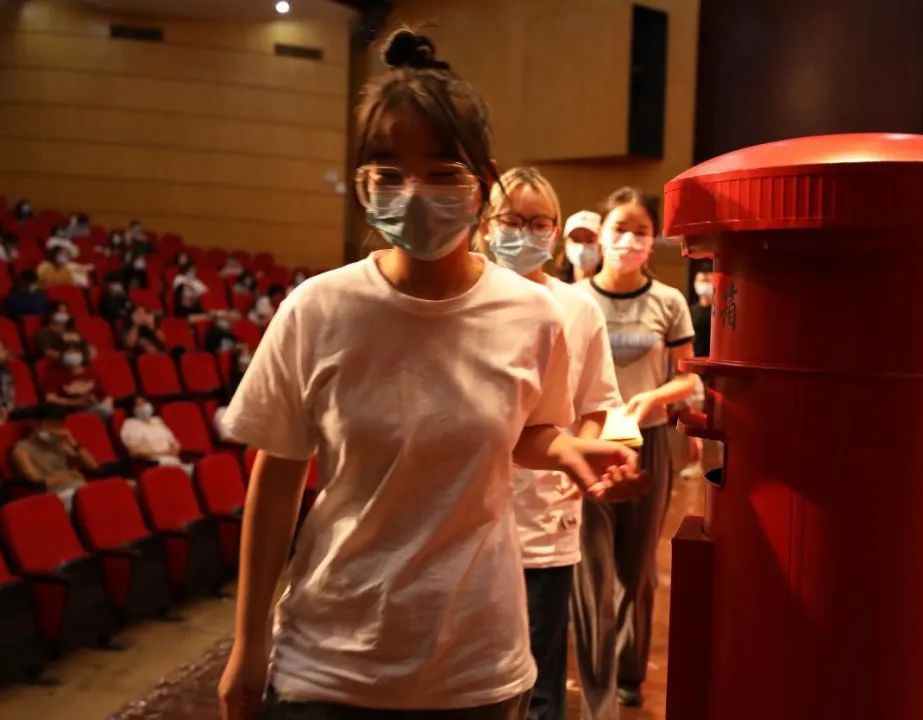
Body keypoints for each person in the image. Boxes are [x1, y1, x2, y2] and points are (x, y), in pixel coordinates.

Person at [217, 29, 646, 720]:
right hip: (329, 660)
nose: (413, 193)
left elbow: (530, 431)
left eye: (441, 172)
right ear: (363, 180)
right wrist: (247, 643)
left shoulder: (533, 314)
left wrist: (568, 450)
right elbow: (277, 476)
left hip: (475, 664)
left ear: (482, 181)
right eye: (389, 172)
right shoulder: (317, 309)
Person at [482, 167, 623, 720]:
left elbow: (595, 404)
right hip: (463, 522)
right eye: (512, 220)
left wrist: (574, 464)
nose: (525, 233)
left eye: (540, 223)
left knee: (540, 682)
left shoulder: (578, 309)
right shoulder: (461, 300)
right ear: (486, 225)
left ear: (556, 231)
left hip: (542, 517)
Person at [573, 186, 697, 715]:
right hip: (587, 443)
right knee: (590, 571)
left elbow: (687, 377)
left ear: (654, 240)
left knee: (639, 568)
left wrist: (653, 399)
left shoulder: (668, 302)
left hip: (651, 442)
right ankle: (596, 687)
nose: (628, 240)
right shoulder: (574, 299)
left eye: (641, 231)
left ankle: (629, 676)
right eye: (619, 229)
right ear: (600, 234)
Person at [12, 406, 97, 508]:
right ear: (36, 424)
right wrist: (69, 474)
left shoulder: (59, 443)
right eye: (51, 425)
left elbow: (93, 466)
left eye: (58, 426)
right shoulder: (22, 450)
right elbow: (39, 484)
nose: (55, 430)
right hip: (57, 497)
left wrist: (73, 442)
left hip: (80, 488)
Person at [40, 343, 112, 417]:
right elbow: (50, 398)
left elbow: (105, 395)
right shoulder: (54, 372)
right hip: (68, 411)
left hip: (93, 408)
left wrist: (105, 404)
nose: (72, 355)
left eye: (75, 351)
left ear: (82, 354)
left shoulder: (91, 371)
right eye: (68, 352)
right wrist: (76, 402)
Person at [120, 395, 185, 469]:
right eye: (138, 405)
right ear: (132, 409)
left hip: (173, 461)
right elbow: (134, 452)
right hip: (152, 464)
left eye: (145, 403)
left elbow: (173, 442)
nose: (143, 407)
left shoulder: (157, 420)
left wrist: (176, 448)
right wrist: (163, 453)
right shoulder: (130, 425)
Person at [555, 210, 602, 283]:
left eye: (590, 240)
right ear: (566, 244)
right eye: (576, 240)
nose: (582, 247)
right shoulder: (553, 287)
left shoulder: (613, 287)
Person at [690, 269, 713, 359]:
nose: (704, 284)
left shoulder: (719, 312)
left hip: (712, 359)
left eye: (707, 281)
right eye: (701, 281)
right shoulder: (690, 311)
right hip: (695, 358)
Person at [0, 341, 16, 423]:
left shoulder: (5, 370)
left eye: (2, 349)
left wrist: (7, 408)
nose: (3, 353)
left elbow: (8, 396)